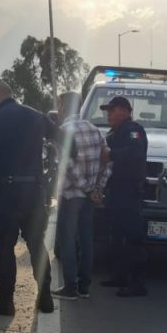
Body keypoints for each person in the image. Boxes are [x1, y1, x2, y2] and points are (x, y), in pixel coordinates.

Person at [0, 80, 55, 316]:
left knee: (4, 247)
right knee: (36, 244)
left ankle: (6, 301)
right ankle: (45, 297)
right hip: (34, 191)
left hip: (6, 193)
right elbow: (62, 139)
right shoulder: (36, 116)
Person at [51, 92, 110, 300]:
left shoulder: (63, 131)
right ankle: (84, 286)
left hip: (71, 195)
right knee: (86, 239)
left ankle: (70, 287)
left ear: (63, 108)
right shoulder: (95, 130)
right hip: (90, 197)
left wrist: (87, 188)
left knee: (67, 241)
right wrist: (98, 189)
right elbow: (107, 161)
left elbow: (69, 166)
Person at [99, 96, 148, 297]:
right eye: (108, 111)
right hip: (116, 191)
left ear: (125, 111)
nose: (109, 114)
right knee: (117, 236)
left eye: (113, 110)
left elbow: (135, 153)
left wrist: (111, 154)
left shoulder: (133, 130)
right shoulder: (115, 133)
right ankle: (119, 276)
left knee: (133, 238)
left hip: (129, 191)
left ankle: (137, 284)